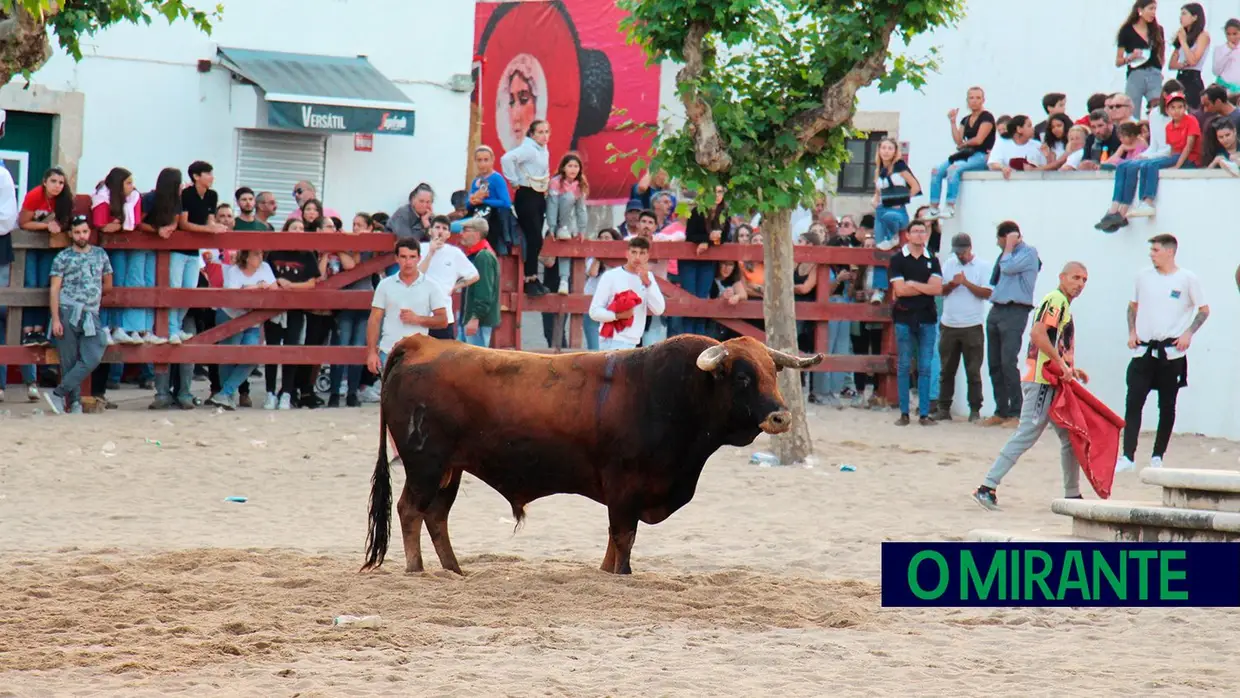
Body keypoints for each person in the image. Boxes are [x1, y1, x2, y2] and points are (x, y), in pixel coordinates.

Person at [973, 262, 1091, 512]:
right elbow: (1038, 334)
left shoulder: (1060, 302)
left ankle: (1072, 494)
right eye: (1075, 278)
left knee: (1070, 436)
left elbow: (1050, 339)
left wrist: (1069, 366)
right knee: (1028, 432)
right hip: (1041, 381)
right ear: (1062, 277)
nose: (1080, 284)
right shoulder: (1056, 300)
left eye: (1084, 280)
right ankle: (987, 487)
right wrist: (1061, 363)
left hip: (1051, 379)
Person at [1117, 234, 1209, 472]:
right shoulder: (1143, 277)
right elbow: (1132, 306)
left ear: (1170, 252)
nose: (1152, 254)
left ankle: (1158, 455)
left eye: (1156, 250)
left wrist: (1188, 333)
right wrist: (1131, 332)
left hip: (1171, 353)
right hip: (1144, 350)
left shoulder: (1187, 279)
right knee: (1133, 401)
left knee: (1167, 405)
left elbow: (1203, 310)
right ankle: (1127, 455)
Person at [42, 216, 113, 415]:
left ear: (89, 232)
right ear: (71, 234)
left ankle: (58, 393)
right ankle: (74, 403)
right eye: (77, 232)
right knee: (69, 360)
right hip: (67, 311)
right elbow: (54, 289)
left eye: (84, 231)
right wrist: (55, 318)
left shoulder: (100, 254)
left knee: (93, 356)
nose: (81, 236)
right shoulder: (63, 257)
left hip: (91, 313)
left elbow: (108, 282)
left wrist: (93, 293)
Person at [204, 249, 277, 411]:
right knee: (228, 356)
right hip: (231, 315)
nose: (260, 257)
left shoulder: (265, 267)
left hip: (253, 319)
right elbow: (233, 294)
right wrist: (258, 287)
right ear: (246, 257)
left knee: (252, 357)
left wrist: (254, 289)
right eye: (256, 254)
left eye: (261, 254)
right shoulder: (234, 271)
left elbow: (274, 289)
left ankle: (225, 392)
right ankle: (227, 396)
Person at [365, 239, 450, 376]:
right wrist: (371, 353)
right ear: (396, 258)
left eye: (412, 257)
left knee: (418, 396)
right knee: (389, 396)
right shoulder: (385, 285)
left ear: (419, 258)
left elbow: (443, 320)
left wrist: (417, 319)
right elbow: (374, 319)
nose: (408, 262)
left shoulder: (431, 286)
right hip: (389, 351)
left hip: (420, 354)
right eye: (403, 257)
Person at [984, 221, 1041, 427]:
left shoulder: (1028, 253)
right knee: (994, 362)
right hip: (998, 308)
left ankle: (1017, 412)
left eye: (1000, 240)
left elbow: (1008, 268)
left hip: (1015, 309)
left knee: (1008, 361)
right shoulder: (1005, 255)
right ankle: (1001, 409)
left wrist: (1008, 246)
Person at [887, 220, 942, 426]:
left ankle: (924, 413)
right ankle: (904, 413)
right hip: (904, 316)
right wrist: (924, 287)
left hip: (927, 317)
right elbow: (899, 291)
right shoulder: (898, 259)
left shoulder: (933, 260)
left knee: (926, 366)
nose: (920, 235)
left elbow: (937, 288)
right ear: (908, 235)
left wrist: (913, 284)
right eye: (916, 231)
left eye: (922, 231)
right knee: (904, 364)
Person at [936, 233, 991, 423]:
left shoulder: (982, 266)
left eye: (963, 251)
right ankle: (944, 408)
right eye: (958, 252)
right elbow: (940, 290)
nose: (960, 255)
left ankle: (975, 409)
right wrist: (953, 283)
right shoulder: (949, 264)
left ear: (970, 248)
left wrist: (966, 283)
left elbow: (986, 293)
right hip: (949, 324)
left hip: (972, 325)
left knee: (973, 370)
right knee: (947, 369)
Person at [927, 87, 996, 220]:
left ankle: (950, 205)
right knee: (936, 171)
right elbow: (958, 139)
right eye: (971, 98)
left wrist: (964, 144)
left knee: (954, 169)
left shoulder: (987, 117)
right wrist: (953, 122)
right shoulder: (965, 119)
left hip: (981, 155)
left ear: (983, 100)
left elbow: (978, 140)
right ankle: (933, 207)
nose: (974, 101)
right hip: (965, 154)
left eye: (978, 98)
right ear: (967, 100)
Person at [588, 236, 666, 351]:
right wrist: (617, 316)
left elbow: (659, 309)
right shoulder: (610, 276)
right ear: (627, 254)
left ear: (647, 256)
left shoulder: (648, 278)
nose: (637, 257)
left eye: (642, 253)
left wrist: (648, 284)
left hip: (634, 342)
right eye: (634, 252)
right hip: (612, 340)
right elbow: (594, 312)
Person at [501, 119, 552, 296]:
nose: (544, 136)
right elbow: (507, 158)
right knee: (534, 237)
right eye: (540, 132)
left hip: (538, 194)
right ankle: (528, 278)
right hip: (527, 193)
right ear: (532, 134)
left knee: (536, 238)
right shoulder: (529, 149)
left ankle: (532, 277)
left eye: (546, 132)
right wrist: (514, 180)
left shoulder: (543, 149)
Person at [419, 215, 479, 340]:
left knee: (445, 356)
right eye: (437, 227)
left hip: (444, 314)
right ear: (430, 231)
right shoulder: (420, 248)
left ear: (448, 234)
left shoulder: (454, 253)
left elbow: (474, 275)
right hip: (420, 313)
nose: (440, 231)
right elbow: (416, 275)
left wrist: (456, 286)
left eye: (444, 228)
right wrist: (431, 253)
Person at [1116, 0, 1167, 117]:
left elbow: (1161, 54)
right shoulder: (1127, 31)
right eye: (1150, 9)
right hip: (1135, 73)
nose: (1153, 12)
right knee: (1132, 112)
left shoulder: (1158, 30)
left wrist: (1160, 71)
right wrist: (1130, 57)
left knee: (1158, 110)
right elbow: (1118, 61)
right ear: (1140, 10)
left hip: (1154, 73)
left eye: (1155, 9)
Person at [457, 217, 500, 348]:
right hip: (472, 319)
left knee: (473, 363)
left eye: (465, 230)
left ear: (477, 234)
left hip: (476, 321)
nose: (461, 233)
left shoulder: (483, 257)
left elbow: (484, 292)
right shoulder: (479, 255)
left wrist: (475, 317)